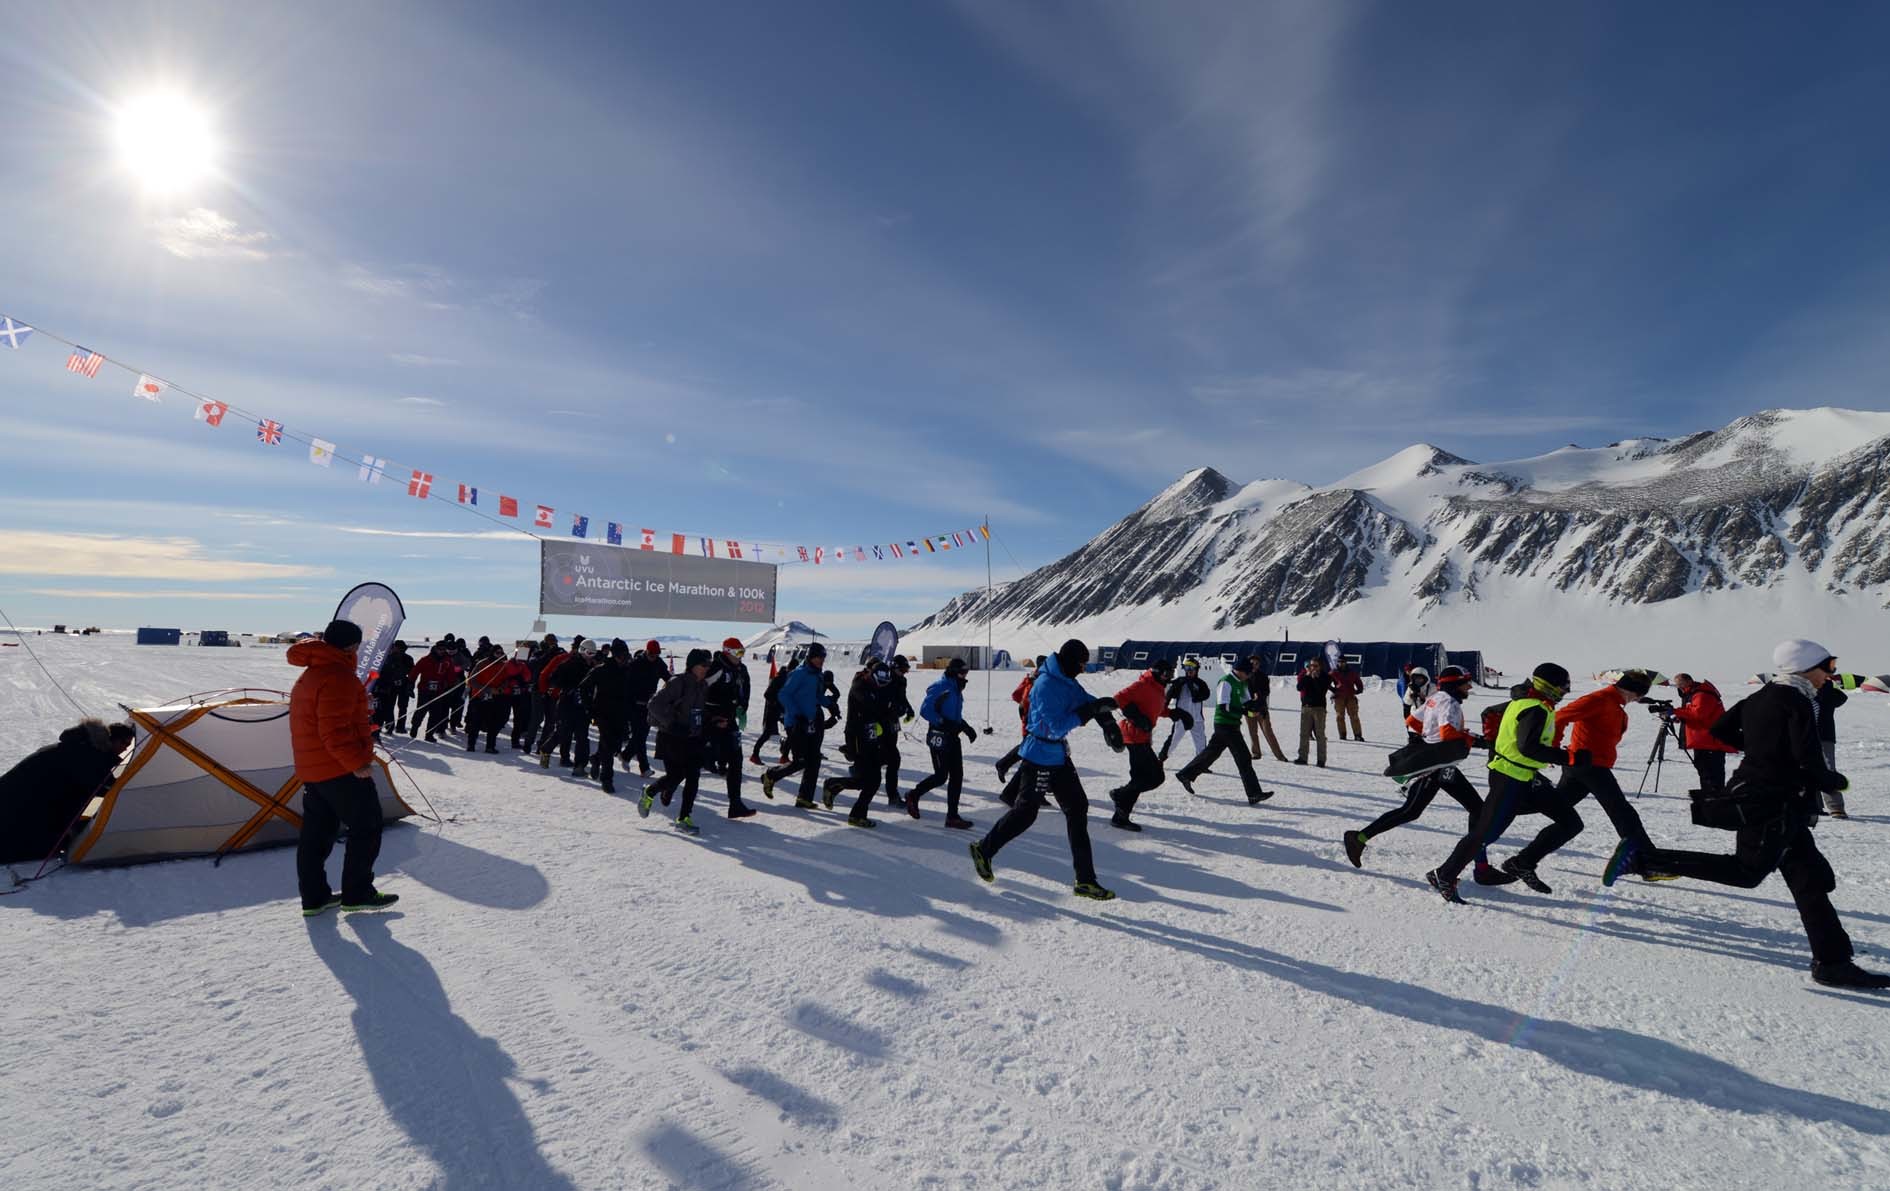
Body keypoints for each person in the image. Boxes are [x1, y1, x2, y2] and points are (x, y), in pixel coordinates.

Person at [1629, 640, 1888, 990]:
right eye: (1827, 667)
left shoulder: (1763, 695)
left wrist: (1763, 750)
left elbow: (1721, 729)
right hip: (1769, 803)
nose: (1830, 675)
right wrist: (1833, 780)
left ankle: (1833, 963)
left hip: (1777, 801)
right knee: (1746, 872)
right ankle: (1646, 859)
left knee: (1811, 881)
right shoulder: (1797, 701)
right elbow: (1808, 761)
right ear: (1804, 668)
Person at [968, 640, 1122, 901]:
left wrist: (1106, 719)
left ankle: (1085, 880)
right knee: (1026, 813)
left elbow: (1085, 700)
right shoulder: (1046, 685)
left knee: (1078, 808)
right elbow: (1056, 726)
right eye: (1081, 664)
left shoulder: (1065, 679)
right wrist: (1087, 712)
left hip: (1058, 756)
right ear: (1071, 661)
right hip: (1039, 756)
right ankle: (984, 849)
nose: (1083, 669)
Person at [1344, 666, 1513, 887]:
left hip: (1441, 764)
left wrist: (1425, 738)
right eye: (1465, 683)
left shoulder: (1437, 697)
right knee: (1418, 810)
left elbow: (1412, 720)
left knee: (1425, 811)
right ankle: (1358, 838)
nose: (1469, 687)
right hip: (1437, 766)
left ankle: (1481, 868)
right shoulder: (1449, 703)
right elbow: (1447, 734)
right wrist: (1474, 739)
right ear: (1454, 685)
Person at [1426, 663, 1581, 905]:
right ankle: (1444, 874)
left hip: (1527, 777)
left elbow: (1491, 715)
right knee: (1484, 833)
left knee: (1571, 822)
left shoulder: (1528, 701)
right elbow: (1528, 747)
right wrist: (1568, 757)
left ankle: (1522, 863)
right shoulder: (1534, 708)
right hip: (1510, 778)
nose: (1565, 692)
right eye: (1563, 687)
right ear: (1548, 686)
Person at [1496, 669, 1658, 892]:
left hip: (1585, 767)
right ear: (1631, 691)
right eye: (1638, 696)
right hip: (1588, 766)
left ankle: (1521, 859)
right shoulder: (1599, 699)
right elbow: (1561, 717)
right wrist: (1554, 749)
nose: (1637, 700)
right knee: (1622, 812)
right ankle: (1649, 862)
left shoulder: (1614, 703)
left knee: (1564, 817)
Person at [288, 620, 396, 915]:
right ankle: (357, 893)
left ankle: (315, 897)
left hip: (315, 769)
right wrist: (357, 764)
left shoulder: (313, 674)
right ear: (351, 646)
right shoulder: (338, 677)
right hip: (338, 770)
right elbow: (333, 732)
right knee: (367, 827)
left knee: (316, 835)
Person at [0, 718, 135, 866]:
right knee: (37, 845)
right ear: (110, 739)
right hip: (21, 801)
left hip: (14, 793)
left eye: (129, 745)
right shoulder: (88, 756)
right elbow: (105, 787)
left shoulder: (81, 747)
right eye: (123, 743)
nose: (125, 748)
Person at [1175, 656, 1273, 805]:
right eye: (1247, 673)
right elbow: (1224, 706)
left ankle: (1185, 774)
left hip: (1233, 724)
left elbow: (1246, 704)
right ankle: (1254, 794)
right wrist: (1244, 709)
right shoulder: (1226, 682)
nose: (1249, 676)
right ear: (1239, 671)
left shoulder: (1242, 683)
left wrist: (1258, 708)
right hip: (1224, 725)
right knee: (1244, 758)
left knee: (1210, 754)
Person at [1108, 658, 1192, 830]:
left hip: (1143, 737)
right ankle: (1120, 795)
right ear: (1157, 673)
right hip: (1133, 736)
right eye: (1166, 673)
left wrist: (1175, 713)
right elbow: (1118, 698)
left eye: (1171, 674)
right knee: (1154, 777)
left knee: (1140, 778)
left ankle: (1120, 814)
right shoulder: (1142, 685)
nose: (1168, 677)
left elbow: (1155, 707)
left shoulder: (1158, 688)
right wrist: (1136, 717)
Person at [640, 649, 712, 833]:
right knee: (675, 776)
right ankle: (650, 792)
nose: (706, 669)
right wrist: (672, 724)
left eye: (708, 665)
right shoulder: (677, 682)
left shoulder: (703, 685)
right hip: (671, 737)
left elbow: (699, 711)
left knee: (693, 776)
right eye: (703, 665)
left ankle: (684, 817)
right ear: (692, 666)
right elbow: (654, 705)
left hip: (692, 738)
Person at [822, 660, 900, 828]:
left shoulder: (878, 687)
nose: (882, 686)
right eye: (880, 683)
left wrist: (894, 710)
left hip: (871, 736)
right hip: (857, 737)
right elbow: (874, 708)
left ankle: (835, 785)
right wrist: (887, 710)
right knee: (872, 780)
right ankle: (856, 813)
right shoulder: (860, 686)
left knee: (868, 779)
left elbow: (885, 708)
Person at [761, 643, 839, 806]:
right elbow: (784, 694)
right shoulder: (799, 674)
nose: (821, 661)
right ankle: (771, 775)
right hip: (796, 723)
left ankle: (804, 798)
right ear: (810, 657)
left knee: (814, 759)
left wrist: (830, 704)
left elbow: (817, 696)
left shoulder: (818, 675)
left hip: (812, 722)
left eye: (823, 658)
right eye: (818, 657)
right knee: (801, 760)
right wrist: (797, 714)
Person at [906, 658, 978, 828]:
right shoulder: (940, 686)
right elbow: (925, 710)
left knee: (957, 776)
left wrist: (965, 727)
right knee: (940, 776)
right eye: (962, 672)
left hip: (953, 737)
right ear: (953, 672)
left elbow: (954, 715)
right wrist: (941, 721)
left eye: (966, 673)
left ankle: (952, 816)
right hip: (939, 736)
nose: (965, 676)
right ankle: (913, 795)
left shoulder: (956, 688)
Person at [703, 638, 757, 820]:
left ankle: (735, 804)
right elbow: (699, 690)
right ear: (727, 652)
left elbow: (745, 689)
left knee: (736, 759)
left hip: (730, 720)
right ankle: (667, 788)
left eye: (743, 653)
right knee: (698, 761)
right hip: (712, 722)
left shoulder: (741, 669)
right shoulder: (717, 668)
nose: (741, 657)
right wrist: (710, 717)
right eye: (738, 653)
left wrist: (743, 707)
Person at [1670, 673, 1734, 794]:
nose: (1679, 688)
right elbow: (1692, 712)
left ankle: (1714, 796)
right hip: (1703, 740)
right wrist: (1678, 716)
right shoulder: (1693, 693)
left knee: (1711, 771)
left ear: (1689, 681)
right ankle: (1709, 793)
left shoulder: (1702, 694)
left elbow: (1698, 714)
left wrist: (1675, 711)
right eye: (1677, 686)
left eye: (1681, 685)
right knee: (1704, 770)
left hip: (1710, 741)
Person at [539, 637, 594, 774]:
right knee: (563, 732)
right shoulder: (569, 663)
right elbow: (553, 678)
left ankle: (579, 765)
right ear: (582, 651)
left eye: (593, 653)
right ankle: (546, 750)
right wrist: (568, 688)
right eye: (588, 653)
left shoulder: (592, 667)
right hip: (567, 704)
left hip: (583, 706)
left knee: (582, 736)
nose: (591, 656)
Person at [587, 641, 634, 793]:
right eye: (622, 656)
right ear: (615, 655)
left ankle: (595, 758)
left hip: (622, 714)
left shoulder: (628, 670)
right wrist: (589, 707)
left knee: (615, 746)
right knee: (608, 745)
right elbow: (584, 686)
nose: (624, 659)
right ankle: (606, 779)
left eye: (626, 655)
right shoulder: (601, 670)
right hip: (603, 714)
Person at [993, 656, 1045, 786]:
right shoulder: (1037, 681)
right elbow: (1024, 700)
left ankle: (1004, 767)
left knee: (1031, 753)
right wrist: (1026, 710)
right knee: (1031, 754)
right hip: (1032, 723)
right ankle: (1003, 765)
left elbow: (1016, 696)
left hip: (1032, 722)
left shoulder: (1031, 678)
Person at [622, 640, 670, 777]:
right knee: (640, 736)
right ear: (646, 651)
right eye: (652, 654)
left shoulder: (658, 663)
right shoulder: (635, 664)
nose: (654, 657)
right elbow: (626, 685)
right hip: (634, 704)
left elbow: (668, 677)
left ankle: (625, 755)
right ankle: (644, 768)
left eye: (656, 654)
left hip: (650, 706)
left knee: (641, 734)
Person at [1239, 657, 1290, 763]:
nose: (1254, 665)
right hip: (1249, 709)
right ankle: (1256, 753)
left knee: (1268, 732)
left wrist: (1259, 695)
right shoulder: (1244, 676)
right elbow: (1242, 692)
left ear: (1259, 665)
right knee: (1252, 732)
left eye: (1256, 663)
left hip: (1261, 709)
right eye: (1252, 663)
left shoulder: (1263, 677)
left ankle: (1279, 755)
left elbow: (1266, 692)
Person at [1158, 658, 1210, 764]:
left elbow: (1203, 695)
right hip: (1181, 718)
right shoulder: (1180, 681)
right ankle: (1161, 759)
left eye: (1192, 668)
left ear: (1197, 670)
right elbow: (1169, 695)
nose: (1189, 670)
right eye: (1186, 668)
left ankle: (1201, 764)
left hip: (1197, 718)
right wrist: (1164, 707)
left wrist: (1192, 686)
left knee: (1201, 742)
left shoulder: (1200, 683)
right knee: (1173, 740)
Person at [410, 641, 463, 743]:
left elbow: (451, 675)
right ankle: (414, 727)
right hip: (424, 690)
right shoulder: (425, 660)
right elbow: (415, 672)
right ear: (435, 648)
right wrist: (410, 684)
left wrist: (451, 684)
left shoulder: (447, 661)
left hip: (439, 691)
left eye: (444, 649)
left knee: (436, 714)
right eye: (440, 649)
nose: (442, 651)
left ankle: (429, 734)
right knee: (421, 710)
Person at [882, 655, 916, 808]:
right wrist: (892, 710)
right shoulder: (886, 680)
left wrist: (908, 709)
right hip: (884, 723)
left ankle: (892, 795)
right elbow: (882, 703)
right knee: (892, 759)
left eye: (906, 670)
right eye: (902, 670)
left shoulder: (902, 680)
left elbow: (902, 697)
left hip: (894, 722)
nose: (904, 673)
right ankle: (892, 795)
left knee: (890, 759)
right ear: (895, 668)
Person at [464, 641, 510, 754]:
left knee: (493, 724)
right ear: (492, 653)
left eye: (501, 653)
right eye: (497, 653)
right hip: (479, 697)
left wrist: (500, 689)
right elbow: (471, 680)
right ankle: (471, 745)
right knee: (475, 722)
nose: (499, 655)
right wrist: (487, 690)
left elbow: (506, 680)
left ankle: (490, 746)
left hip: (494, 698)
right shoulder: (482, 664)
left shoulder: (503, 665)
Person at [521, 634, 563, 753]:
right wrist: (547, 655)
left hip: (553, 691)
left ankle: (542, 745)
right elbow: (533, 664)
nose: (552, 643)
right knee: (536, 718)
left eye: (554, 641)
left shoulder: (559, 653)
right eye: (550, 641)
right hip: (538, 690)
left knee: (550, 720)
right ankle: (528, 743)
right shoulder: (538, 653)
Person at [750, 653, 795, 765]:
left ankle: (784, 756)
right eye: (793, 671)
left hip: (782, 710)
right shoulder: (779, 678)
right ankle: (755, 755)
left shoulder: (790, 679)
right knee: (767, 734)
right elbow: (767, 694)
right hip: (773, 710)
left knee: (792, 733)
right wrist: (776, 704)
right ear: (789, 668)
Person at [1815, 674, 1849, 818]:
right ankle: (1817, 806)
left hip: (1823, 736)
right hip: (1810, 735)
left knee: (1826, 769)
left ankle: (1836, 807)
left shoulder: (1828, 692)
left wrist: (1826, 685)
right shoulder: (1804, 690)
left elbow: (1841, 698)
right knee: (1811, 769)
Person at [1293, 658, 1332, 767]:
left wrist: (1315, 679)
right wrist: (1307, 676)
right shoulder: (1307, 676)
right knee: (1304, 734)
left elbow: (1321, 691)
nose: (1313, 668)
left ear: (1320, 667)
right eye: (1311, 666)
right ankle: (1302, 757)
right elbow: (1299, 687)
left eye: (1315, 666)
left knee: (1320, 735)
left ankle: (1321, 760)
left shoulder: (1326, 677)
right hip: (1306, 707)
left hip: (1319, 709)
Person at [372, 640, 415, 734]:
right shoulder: (387, 657)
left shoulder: (407, 658)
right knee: (389, 706)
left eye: (400, 648)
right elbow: (381, 672)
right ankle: (390, 725)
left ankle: (398, 726)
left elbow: (412, 673)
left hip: (402, 685)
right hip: (390, 685)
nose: (398, 650)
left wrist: (410, 685)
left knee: (401, 707)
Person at [501, 647, 535, 750]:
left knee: (518, 719)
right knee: (503, 716)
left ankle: (515, 741)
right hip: (506, 694)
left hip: (519, 695)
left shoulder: (523, 665)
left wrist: (520, 679)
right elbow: (502, 676)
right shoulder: (506, 664)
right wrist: (513, 679)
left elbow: (528, 676)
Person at [1331, 660, 1364, 741]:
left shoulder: (1351, 672)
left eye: (1343, 662)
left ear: (1346, 663)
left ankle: (1357, 735)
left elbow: (1358, 683)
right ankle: (1342, 734)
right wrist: (1334, 690)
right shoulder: (1334, 672)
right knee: (1340, 716)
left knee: (1354, 716)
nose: (1341, 663)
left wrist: (1358, 690)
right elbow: (1326, 682)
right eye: (1339, 662)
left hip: (1350, 697)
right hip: (1339, 697)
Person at [1401, 667, 1432, 744]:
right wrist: (1411, 696)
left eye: (1420, 679)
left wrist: (1423, 698)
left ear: (1425, 678)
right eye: (1416, 679)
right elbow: (1406, 702)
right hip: (1415, 717)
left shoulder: (1431, 687)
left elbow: (1435, 703)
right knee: (1414, 741)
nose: (1418, 681)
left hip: (1428, 719)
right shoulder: (1411, 687)